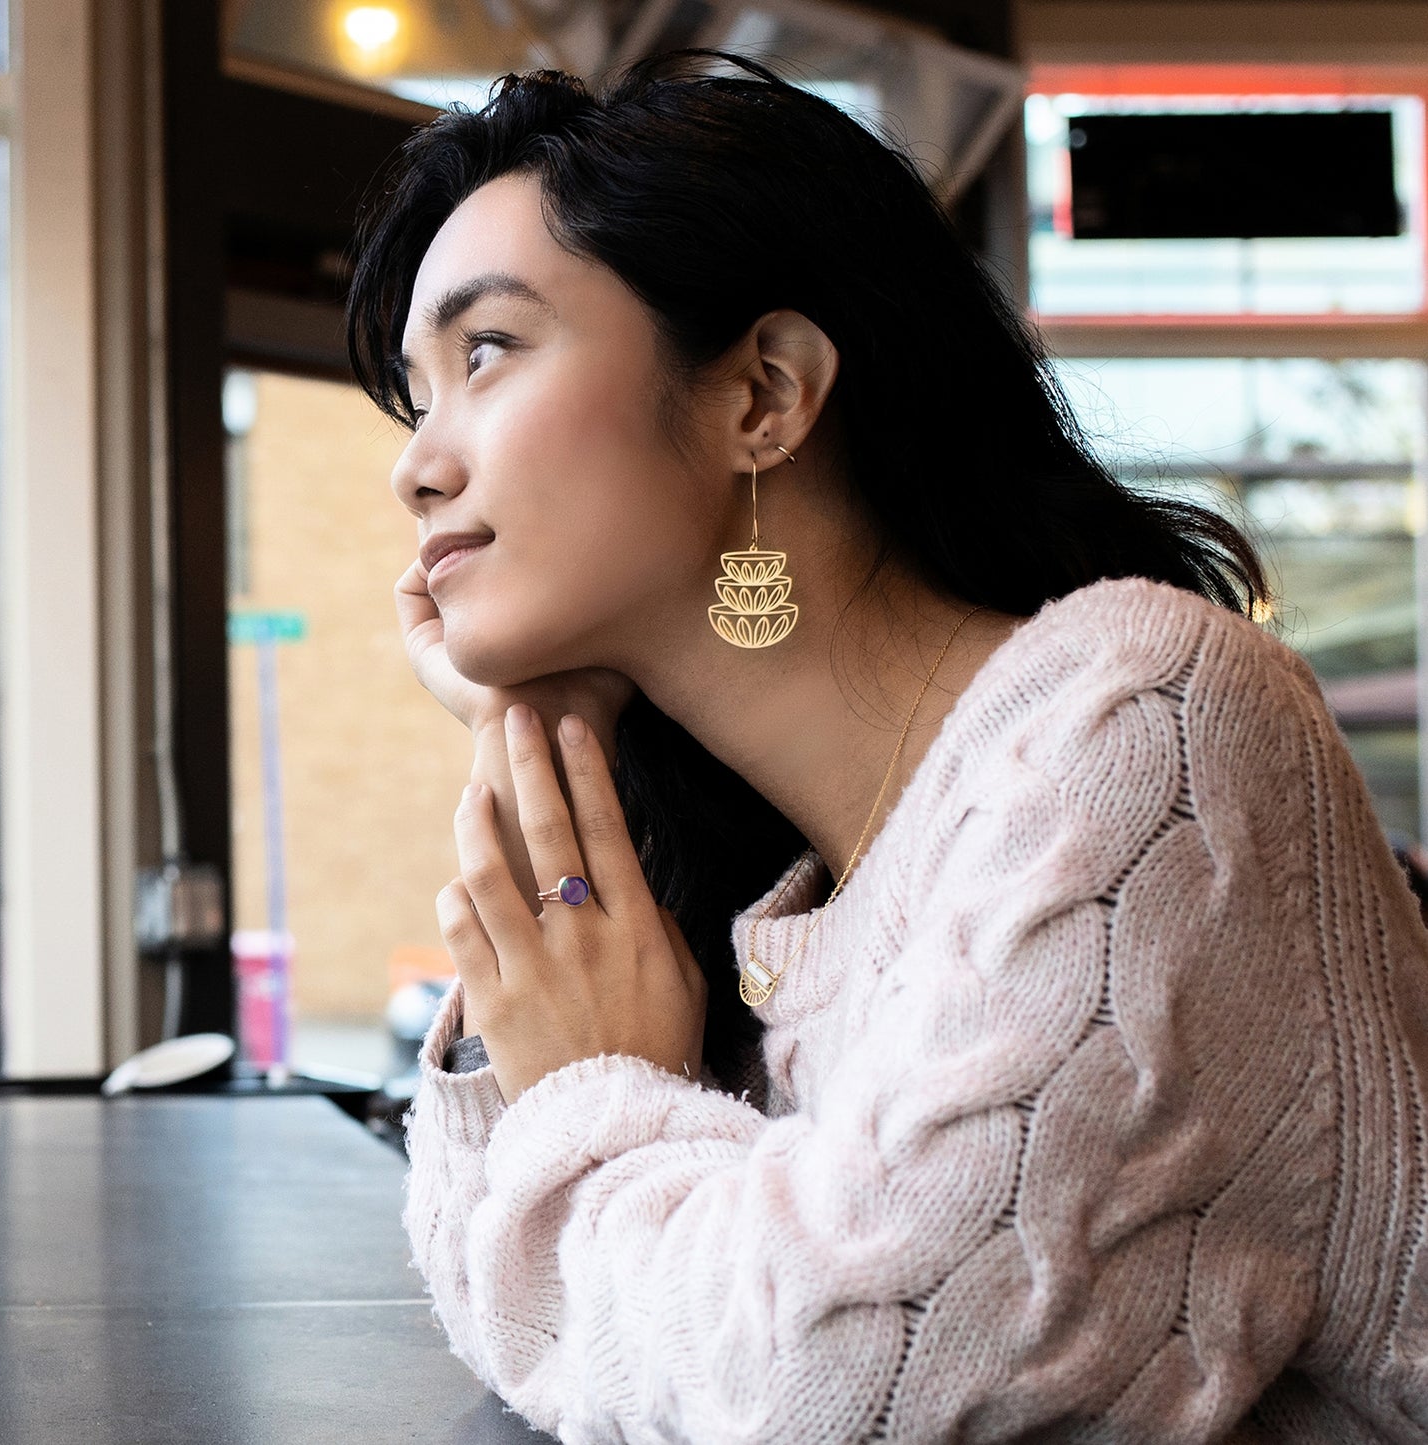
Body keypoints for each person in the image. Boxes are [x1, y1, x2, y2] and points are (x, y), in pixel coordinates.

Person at [346, 50, 1428, 1443]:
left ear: (763, 395)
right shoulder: (786, 877)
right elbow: (507, 1301)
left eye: (484, 350)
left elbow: (828, 1389)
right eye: (414, 391)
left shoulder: (1142, 721)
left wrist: (593, 1098)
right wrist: (532, 744)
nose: (415, 462)